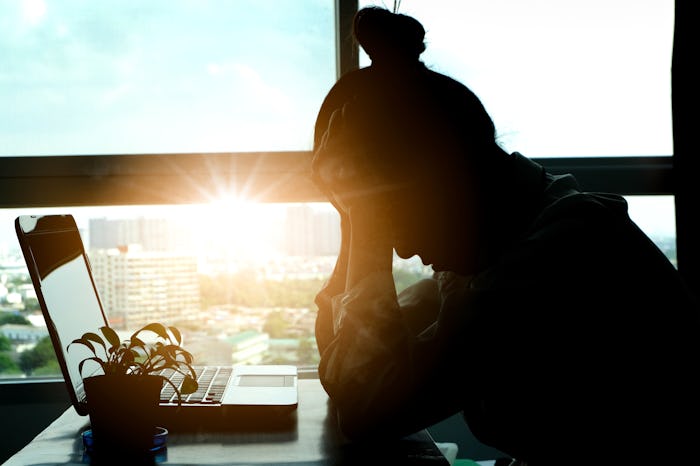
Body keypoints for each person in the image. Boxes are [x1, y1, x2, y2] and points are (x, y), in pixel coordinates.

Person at [310, 6, 700, 466]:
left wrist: (365, 220)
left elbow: (366, 408)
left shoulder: (560, 255)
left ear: (441, 180)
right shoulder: (499, 249)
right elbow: (346, 372)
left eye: (391, 218)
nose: (404, 249)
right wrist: (357, 216)